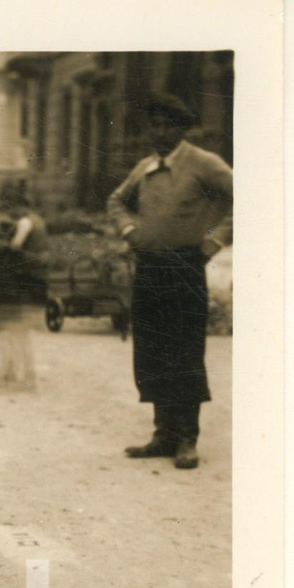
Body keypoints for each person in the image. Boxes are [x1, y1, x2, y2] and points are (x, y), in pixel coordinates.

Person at [108, 93, 233, 470]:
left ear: (181, 128)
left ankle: (187, 439)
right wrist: (129, 228)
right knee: (152, 350)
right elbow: (116, 201)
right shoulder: (146, 166)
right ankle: (163, 434)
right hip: (149, 267)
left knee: (184, 351)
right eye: (153, 125)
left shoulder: (204, 164)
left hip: (185, 267)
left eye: (166, 124)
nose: (158, 131)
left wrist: (215, 240)